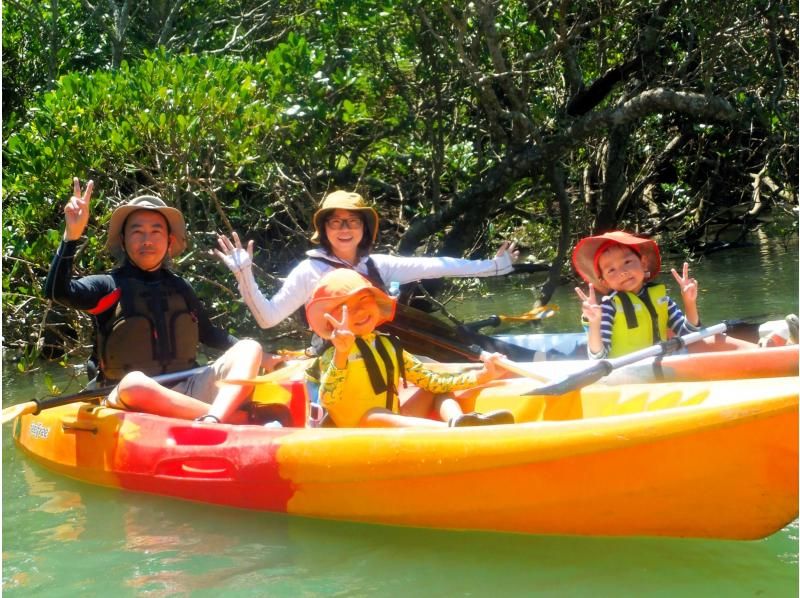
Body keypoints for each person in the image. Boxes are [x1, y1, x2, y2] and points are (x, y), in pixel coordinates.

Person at [44, 177, 281, 423]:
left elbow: (210, 335)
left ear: (169, 242)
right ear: (123, 241)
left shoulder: (180, 288)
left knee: (250, 347)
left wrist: (264, 358)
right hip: (130, 398)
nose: (147, 240)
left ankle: (213, 418)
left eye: (156, 232)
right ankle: (231, 419)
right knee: (134, 383)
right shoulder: (107, 286)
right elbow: (56, 292)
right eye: (137, 232)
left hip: (186, 390)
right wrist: (70, 237)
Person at [213, 190, 520, 332]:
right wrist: (244, 274)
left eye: (352, 222)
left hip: (383, 345)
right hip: (337, 359)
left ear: (364, 228)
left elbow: (438, 265)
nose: (344, 229)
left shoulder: (379, 265)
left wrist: (494, 266)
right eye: (335, 222)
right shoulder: (309, 271)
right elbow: (268, 319)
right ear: (324, 230)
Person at [304, 268, 515, 428]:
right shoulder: (333, 354)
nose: (359, 311)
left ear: (376, 304)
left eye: (364, 299)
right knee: (375, 414)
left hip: (393, 421)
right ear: (331, 322)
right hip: (359, 430)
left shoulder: (388, 345)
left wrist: (483, 376)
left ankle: (457, 421)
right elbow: (328, 400)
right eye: (346, 308)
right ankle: (451, 433)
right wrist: (341, 354)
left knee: (435, 390)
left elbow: (432, 380)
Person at [572, 231, 701, 359]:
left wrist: (689, 302)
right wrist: (594, 323)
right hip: (626, 375)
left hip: (662, 369)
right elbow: (598, 357)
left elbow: (689, 335)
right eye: (611, 270)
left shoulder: (663, 300)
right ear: (604, 282)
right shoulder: (608, 307)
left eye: (627, 262)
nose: (622, 272)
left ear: (643, 264)